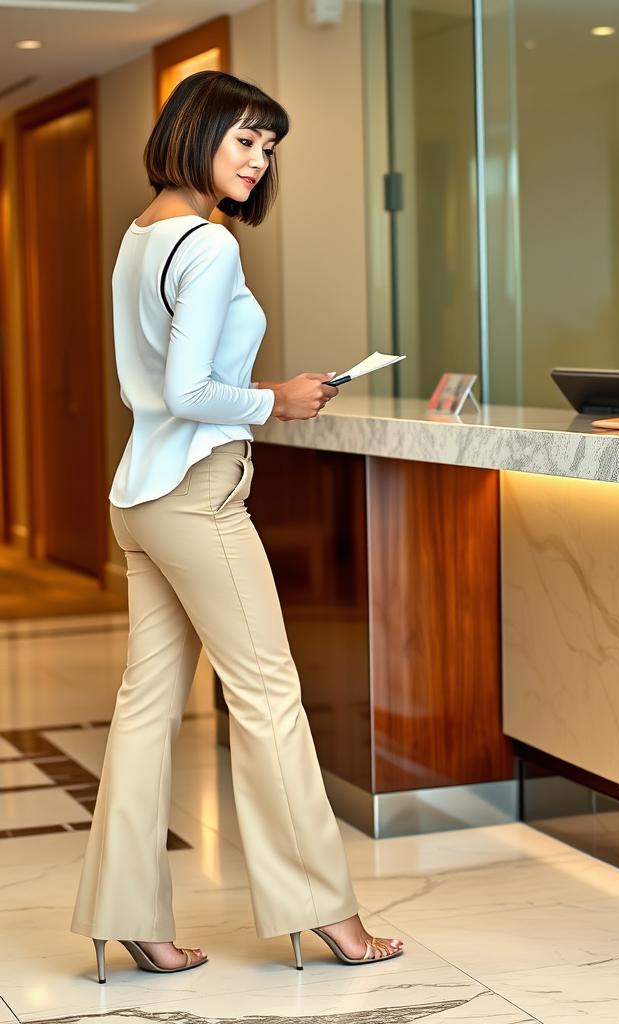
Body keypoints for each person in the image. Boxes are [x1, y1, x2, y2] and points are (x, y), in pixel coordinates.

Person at [70, 70, 403, 983]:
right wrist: (277, 398)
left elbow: (159, 385)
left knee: (146, 706)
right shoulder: (208, 246)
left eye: (269, 146)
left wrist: (257, 394)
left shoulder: (140, 238)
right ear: (198, 131)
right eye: (246, 139)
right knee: (267, 695)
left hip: (138, 496)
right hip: (196, 494)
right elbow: (188, 394)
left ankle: (128, 916)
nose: (259, 160)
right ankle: (327, 914)